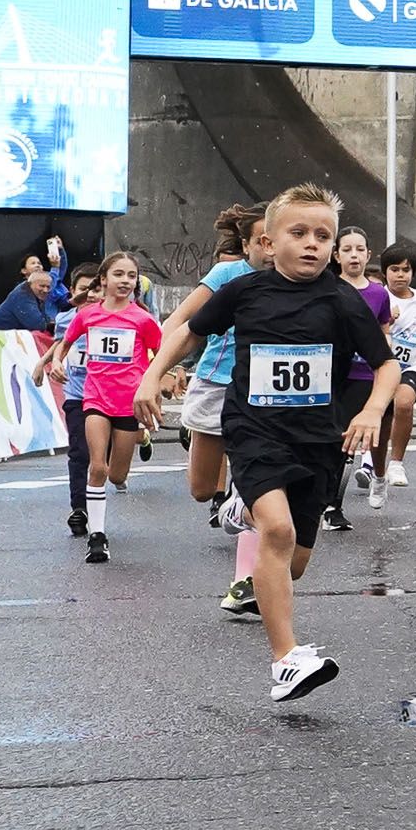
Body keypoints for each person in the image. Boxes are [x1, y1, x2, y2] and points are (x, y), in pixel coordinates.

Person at [137, 184, 399, 703]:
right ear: (269, 240)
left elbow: (386, 363)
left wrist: (371, 410)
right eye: (298, 233)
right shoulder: (245, 290)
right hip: (254, 429)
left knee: (292, 562)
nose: (312, 244)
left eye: (322, 236)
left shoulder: (343, 301)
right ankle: (286, 660)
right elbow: (192, 332)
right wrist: (152, 375)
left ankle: (243, 508)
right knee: (276, 534)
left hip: (318, 440)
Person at [149, 204, 272, 618]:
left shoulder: (294, 280)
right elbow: (180, 323)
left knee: (252, 480)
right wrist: (159, 371)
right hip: (214, 386)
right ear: (247, 243)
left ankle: (243, 582)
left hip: (262, 394)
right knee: (203, 489)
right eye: (263, 241)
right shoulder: (226, 276)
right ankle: (234, 503)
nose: (273, 250)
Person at [49, 251, 162, 564]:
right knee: (96, 466)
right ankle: (97, 537)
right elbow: (65, 343)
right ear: (103, 280)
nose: (125, 281)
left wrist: (160, 381)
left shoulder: (142, 319)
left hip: (129, 405)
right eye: (118, 274)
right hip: (95, 399)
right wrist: (57, 361)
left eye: (131, 276)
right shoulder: (87, 315)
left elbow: (161, 353)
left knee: (116, 475)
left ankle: (136, 443)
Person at [321, 225, 384, 536]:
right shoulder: (326, 288)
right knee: (322, 439)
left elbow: (383, 337)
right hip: (328, 375)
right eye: (347, 249)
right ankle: (314, 497)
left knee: (345, 442)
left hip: (362, 376)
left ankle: (333, 505)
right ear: (336, 255)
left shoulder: (378, 293)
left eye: (360, 249)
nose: (354, 255)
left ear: (368, 254)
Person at [369, 244, 416, 502]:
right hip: (383, 366)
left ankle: (397, 462)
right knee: (382, 424)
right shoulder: (378, 296)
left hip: (412, 365)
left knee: (404, 403)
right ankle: (379, 475)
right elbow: (365, 331)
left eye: (405, 270)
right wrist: (386, 322)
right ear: (385, 273)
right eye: (394, 269)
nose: (400, 275)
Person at [48, 261, 103, 537]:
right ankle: (79, 509)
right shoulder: (65, 320)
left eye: (97, 290)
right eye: (85, 290)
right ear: (74, 291)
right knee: (80, 452)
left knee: (103, 460)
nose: (92, 296)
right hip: (77, 394)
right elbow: (61, 344)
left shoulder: (114, 318)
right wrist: (48, 363)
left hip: (110, 398)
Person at [0, 260, 61, 333]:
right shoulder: (23, 294)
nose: (46, 290)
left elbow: (44, 320)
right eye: (42, 286)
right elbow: (38, 325)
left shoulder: (35, 293)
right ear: (30, 284)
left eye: (48, 287)